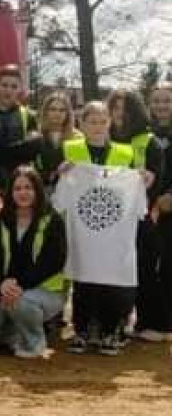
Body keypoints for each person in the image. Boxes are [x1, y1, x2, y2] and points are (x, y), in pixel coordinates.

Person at [55, 102, 147, 356]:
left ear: (110, 123)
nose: (97, 126)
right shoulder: (70, 150)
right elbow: (59, 197)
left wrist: (141, 179)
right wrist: (61, 173)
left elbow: (136, 194)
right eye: (91, 121)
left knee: (114, 281)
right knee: (83, 279)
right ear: (81, 124)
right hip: (82, 228)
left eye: (102, 121)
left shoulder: (125, 152)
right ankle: (82, 329)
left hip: (113, 230)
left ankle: (111, 329)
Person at [0, 165, 66, 359]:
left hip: (45, 290)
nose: (23, 193)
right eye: (17, 188)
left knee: (21, 302)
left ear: (37, 190)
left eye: (28, 187)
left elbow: (54, 262)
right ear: (10, 192)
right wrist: (1, 284)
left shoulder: (52, 220)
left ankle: (35, 342)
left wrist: (19, 286)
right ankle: (16, 334)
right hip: (5, 290)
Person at [141, 85, 172, 341]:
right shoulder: (146, 135)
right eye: (157, 101)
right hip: (149, 210)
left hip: (169, 207)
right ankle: (148, 321)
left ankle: (165, 324)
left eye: (167, 101)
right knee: (149, 264)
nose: (161, 106)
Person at [0, 64, 37, 187]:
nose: (8, 90)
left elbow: (32, 150)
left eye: (13, 86)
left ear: (20, 89)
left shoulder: (29, 116)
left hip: (21, 183)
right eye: (4, 85)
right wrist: (18, 148)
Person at [27, 91, 80, 190]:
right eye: (53, 109)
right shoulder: (35, 136)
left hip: (70, 190)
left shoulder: (78, 137)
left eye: (62, 110)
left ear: (68, 113)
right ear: (46, 111)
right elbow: (29, 169)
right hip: (42, 189)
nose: (57, 113)